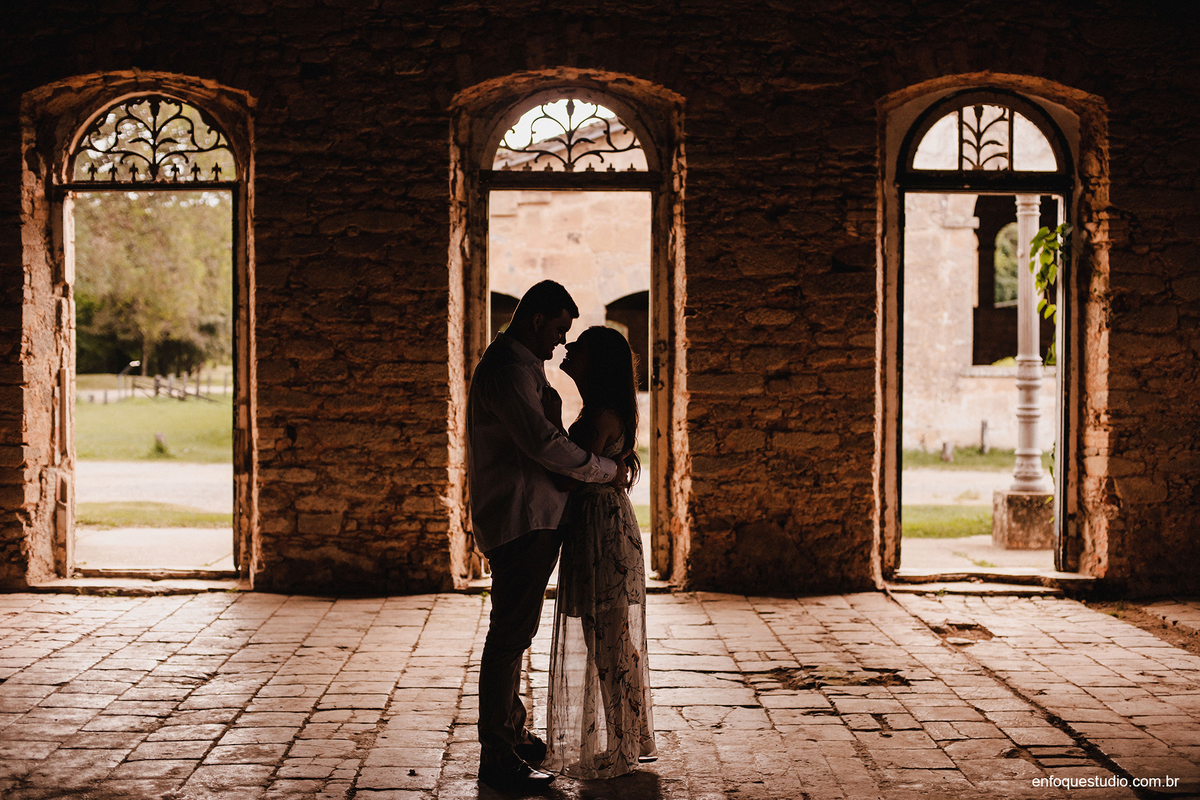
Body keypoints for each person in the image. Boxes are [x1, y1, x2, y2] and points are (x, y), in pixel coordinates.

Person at [466, 280, 626, 793]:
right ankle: (497, 752)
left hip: (532, 516)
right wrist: (604, 469)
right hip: (521, 517)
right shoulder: (509, 371)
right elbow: (543, 444)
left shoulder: (521, 367)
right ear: (536, 319)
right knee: (510, 633)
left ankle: (511, 732)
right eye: (559, 328)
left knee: (516, 630)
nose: (561, 343)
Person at [545, 325, 656, 779]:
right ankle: (633, 733)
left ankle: (624, 742)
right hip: (601, 526)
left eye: (579, 347)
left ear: (599, 363)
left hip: (602, 532)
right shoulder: (602, 412)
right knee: (612, 639)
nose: (568, 349)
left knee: (608, 641)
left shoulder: (598, 419)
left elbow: (572, 476)